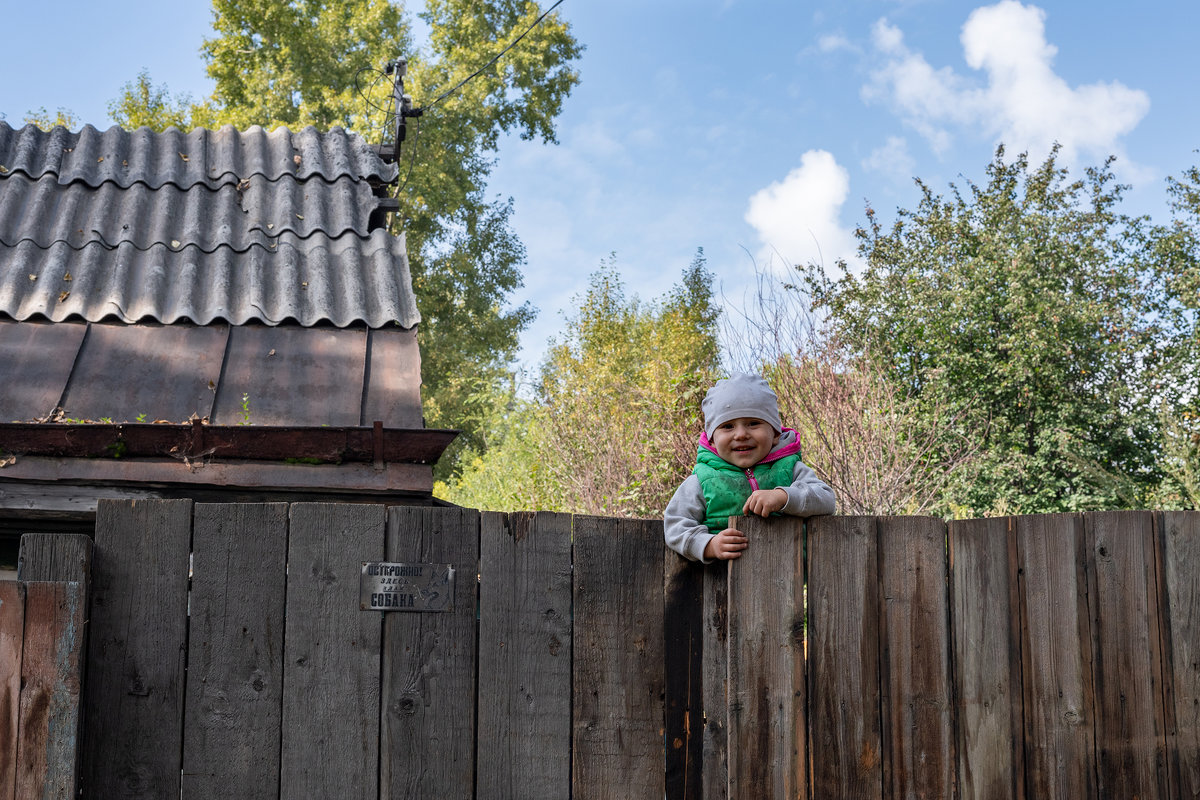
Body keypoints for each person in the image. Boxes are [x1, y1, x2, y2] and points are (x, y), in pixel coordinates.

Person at [664, 373, 835, 561]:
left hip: (787, 578)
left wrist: (783, 496)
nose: (741, 434)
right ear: (712, 440)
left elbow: (826, 499)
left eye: (754, 423)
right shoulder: (702, 480)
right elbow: (675, 525)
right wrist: (708, 544)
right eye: (728, 426)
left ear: (776, 433)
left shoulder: (791, 469)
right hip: (718, 585)